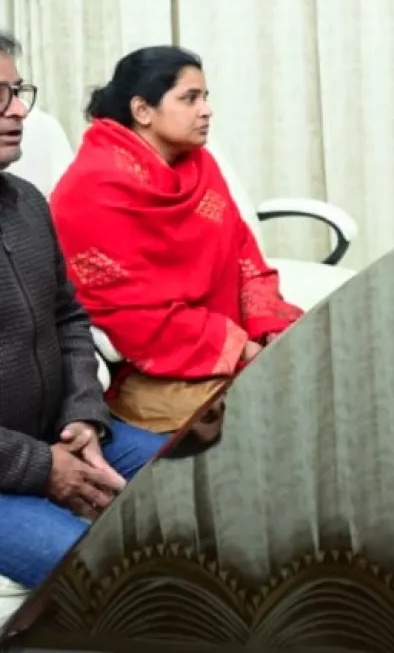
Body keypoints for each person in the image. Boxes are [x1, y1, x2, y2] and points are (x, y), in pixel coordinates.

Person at [49, 46, 302, 435]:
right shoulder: (92, 190)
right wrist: (238, 347)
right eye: (190, 98)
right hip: (154, 368)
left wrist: (265, 325)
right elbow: (128, 311)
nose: (206, 110)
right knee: (276, 419)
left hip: (227, 339)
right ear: (142, 110)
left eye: (205, 97)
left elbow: (242, 253)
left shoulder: (198, 164)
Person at [0, 33, 166, 590]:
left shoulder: (26, 202)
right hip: (11, 471)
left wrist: (83, 414)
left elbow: (69, 320)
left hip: (62, 432)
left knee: (211, 488)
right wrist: (43, 467)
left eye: (18, 91)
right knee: (108, 578)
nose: (19, 111)